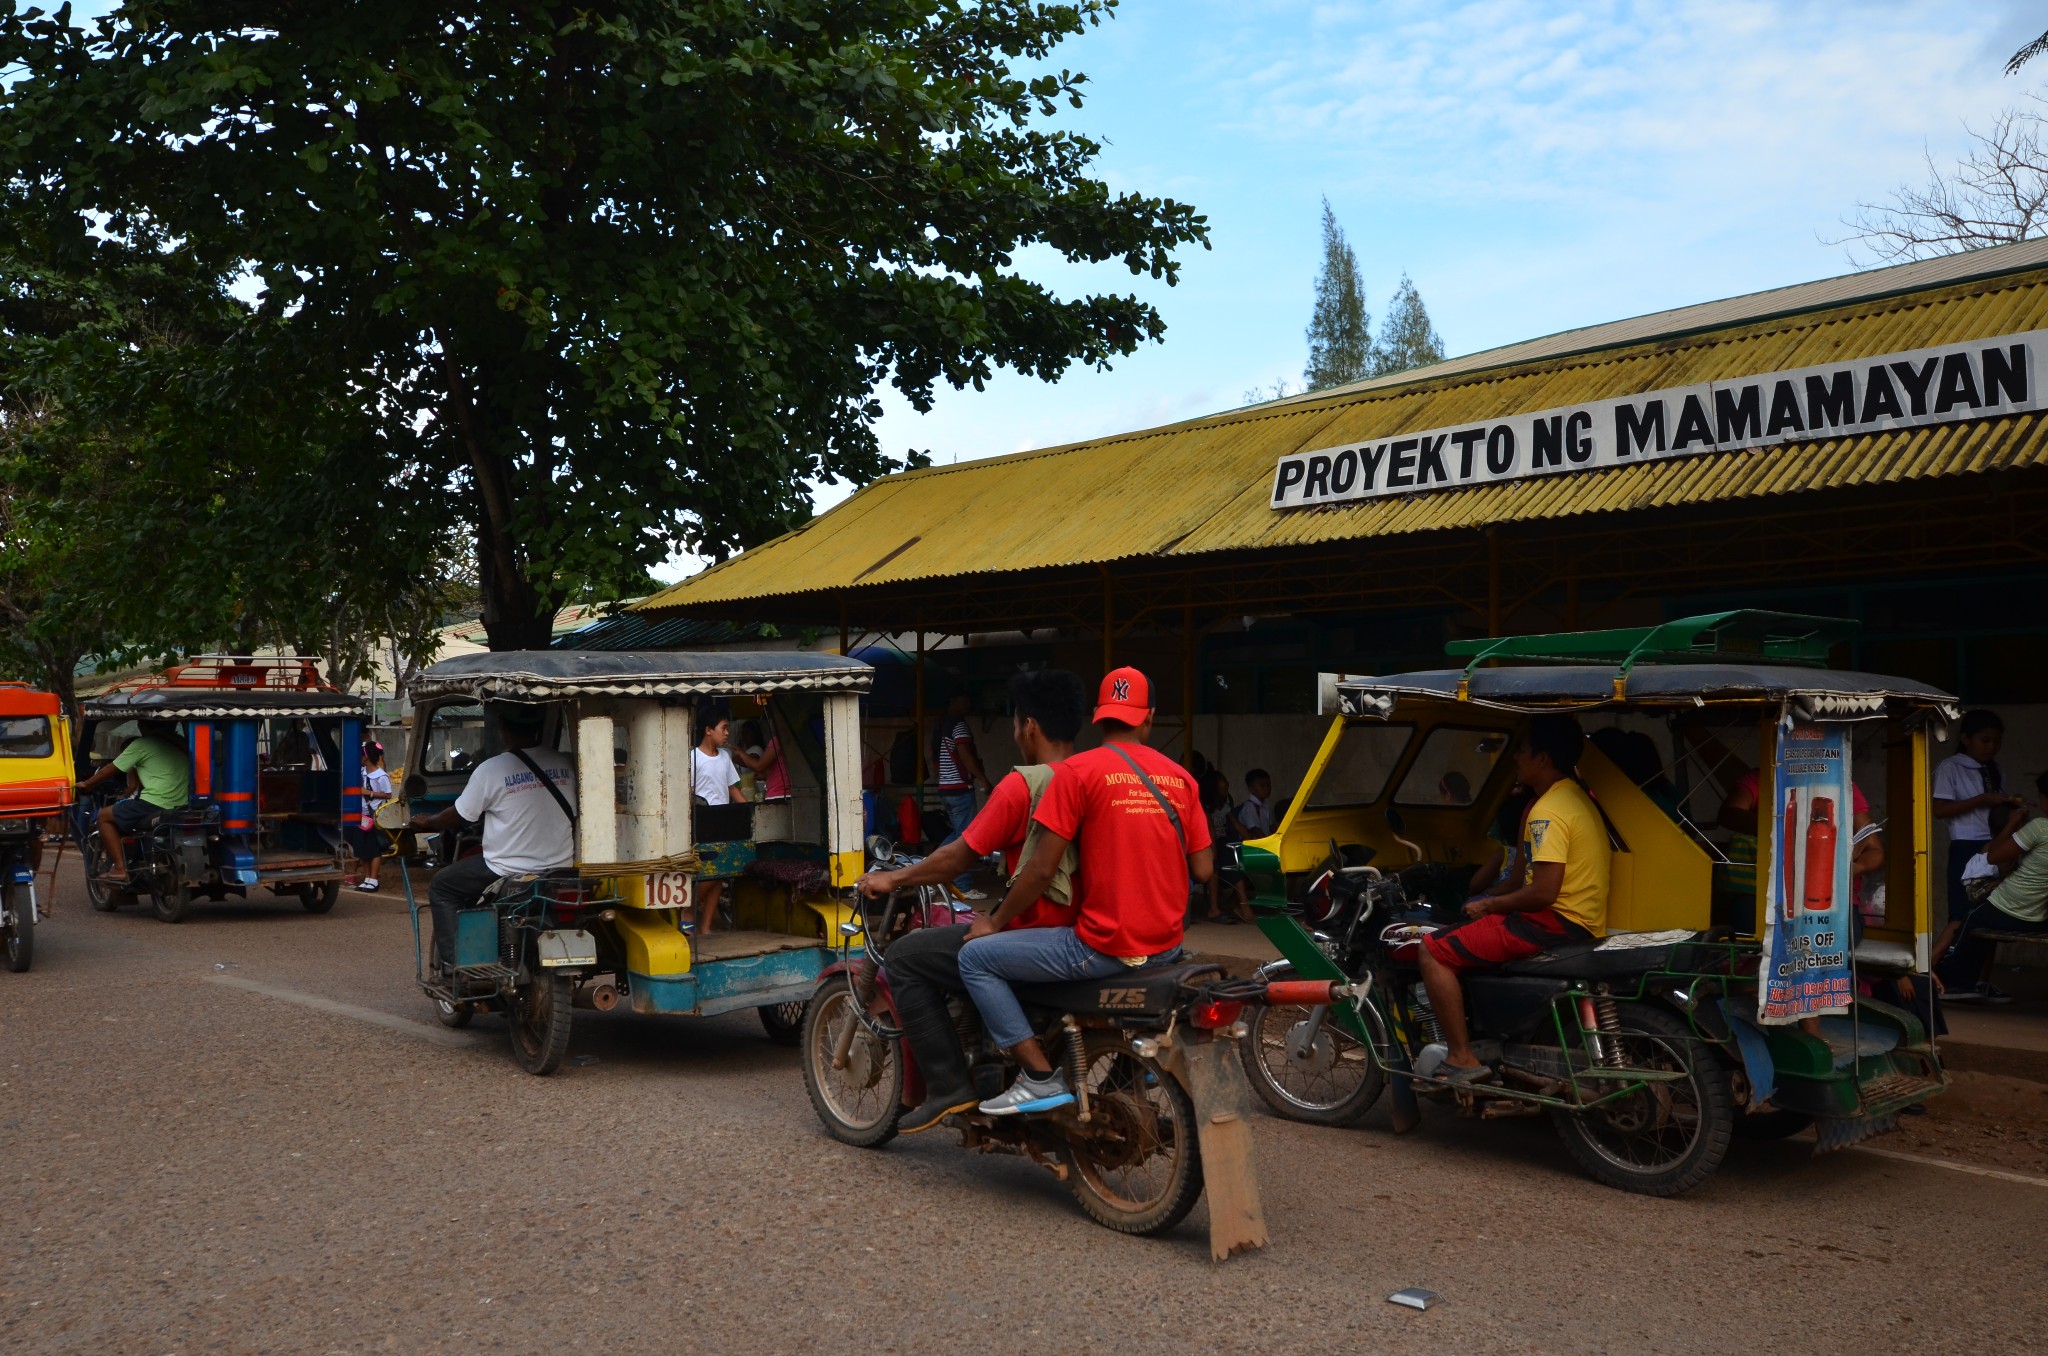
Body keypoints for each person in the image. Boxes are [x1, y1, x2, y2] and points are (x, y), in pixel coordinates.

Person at [957, 666, 1214, 1115]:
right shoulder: (1181, 779)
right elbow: (1205, 869)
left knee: (975, 959)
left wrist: (993, 922)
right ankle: (1140, 1059)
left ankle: (1038, 1077)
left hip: (1103, 946)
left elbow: (1039, 872)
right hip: (1167, 949)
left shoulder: (1076, 773)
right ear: (1149, 718)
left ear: (1099, 716)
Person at [856, 669, 1091, 1132]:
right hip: (1082, 934)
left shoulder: (1022, 785)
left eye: (1015, 722)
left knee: (905, 958)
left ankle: (948, 1089)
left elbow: (957, 856)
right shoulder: (1090, 777)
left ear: (1030, 727)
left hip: (1034, 932)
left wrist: (895, 877)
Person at [1421, 714, 1608, 1086]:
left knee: (1431, 950)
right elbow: (1518, 877)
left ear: (1542, 759)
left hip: (1550, 921)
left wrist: (1489, 907)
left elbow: (1543, 891)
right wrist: (1484, 897)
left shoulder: (1547, 812)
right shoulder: (1570, 798)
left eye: (1520, 750)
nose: (1514, 758)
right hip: (1579, 921)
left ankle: (1461, 1057)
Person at [407, 705, 576, 969]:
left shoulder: (491, 769)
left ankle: (458, 967)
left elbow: (460, 816)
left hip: (506, 869)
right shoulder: (566, 763)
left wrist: (426, 822)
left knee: (442, 886)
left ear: (504, 730)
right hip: (560, 868)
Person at [1939, 770, 2048, 1001]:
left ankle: (1954, 983)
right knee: (1979, 922)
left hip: (2008, 908)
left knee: (1969, 921)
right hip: (2038, 918)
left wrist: (2013, 823)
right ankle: (1975, 982)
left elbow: (1993, 856)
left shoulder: (2039, 827)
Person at [1932, 710, 2022, 971]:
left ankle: (1979, 979)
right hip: (1966, 845)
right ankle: (1938, 972)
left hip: (1995, 846)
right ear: (1966, 739)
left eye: (1997, 741)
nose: (1992, 746)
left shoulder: (1995, 770)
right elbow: (1939, 810)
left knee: (1988, 916)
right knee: (1961, 915)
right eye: (1985, 740)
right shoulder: (1951, 767)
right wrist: (1982, 800)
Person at [77, 720, 191, 885]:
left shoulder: (141, 744)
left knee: (103, 816)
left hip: (155, 802)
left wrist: (87, 784)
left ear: (142, 726)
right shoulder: (181, 742)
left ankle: (120, 868)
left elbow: (111, 768)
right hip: (184, 803)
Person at [690, 712, 747, 935]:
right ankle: (688, 911)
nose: (726, 733)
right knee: (707, 873)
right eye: (723, 728)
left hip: (724, 820)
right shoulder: (693, 757)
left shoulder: (724, 756)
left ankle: (705, 927)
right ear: (708, 730)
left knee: (719, 873)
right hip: (703, 821)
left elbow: (733, 788)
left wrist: (748, 811)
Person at [931, 693, 988, 899]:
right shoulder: (958, 725)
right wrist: (983, 779)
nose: (968, 703)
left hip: (946, 788)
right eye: (964, 699)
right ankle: (962, 886)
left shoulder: (940, 726)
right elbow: (965, 755)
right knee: (966, 839)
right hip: (960, 788)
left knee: (956, 835)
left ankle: (926, 871)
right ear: (952, 700)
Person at [1199, 767, 1253, 925]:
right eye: (1223, 781)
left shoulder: (1225, 807)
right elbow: (1210, 833)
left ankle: (1235, 902)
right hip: (1209, 845)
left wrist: (1253, 843)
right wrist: (1213, 850)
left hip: (1224, 845)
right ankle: (1222, 907)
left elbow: (1237, 826)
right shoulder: (1204, 807)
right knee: (1228, 857)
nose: (1227, 784)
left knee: (1239, 855)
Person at [349, 742, 394, 892]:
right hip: (361, 815)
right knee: (362, 848)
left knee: (374, 849)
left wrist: (370, 793)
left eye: (362, 756)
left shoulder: (381, 776)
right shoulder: (361, 773)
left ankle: (373, 879)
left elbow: (388, 795)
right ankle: (366, 878)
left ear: (366, 757)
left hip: (374, 816)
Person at [734, 715, 791, 802]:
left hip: (778, 794)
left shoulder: (776, 741)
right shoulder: (788, 741)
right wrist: (765, 775)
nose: (744, 736)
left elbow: (758, 766)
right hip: (783, 792)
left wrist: (740, 753)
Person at [1237, 768, 1276, 838]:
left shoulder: (1265, 806)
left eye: (1269, 785)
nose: (1267, 789)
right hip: (1254, 846)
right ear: (1251, 789)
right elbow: (1255, 830)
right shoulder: (1249, 807)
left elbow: (1271, 827)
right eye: (1262, 786)